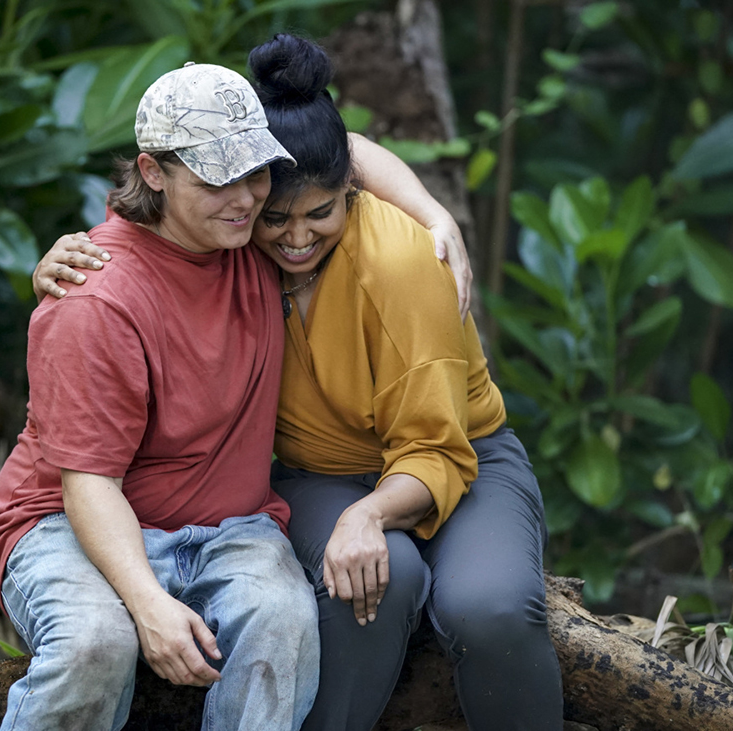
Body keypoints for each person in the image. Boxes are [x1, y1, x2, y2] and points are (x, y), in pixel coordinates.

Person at [37, 36, 564, 731]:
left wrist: (433, 214)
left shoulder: (398, 265)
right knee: (378, 581)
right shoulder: (239, 242)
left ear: (348, 191)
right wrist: (65, 261)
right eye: (274, 217)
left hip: (455, 453)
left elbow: (439, 449)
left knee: (488, 606)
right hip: (321, 471)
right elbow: (157, 234)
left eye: (319, 214)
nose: (294, 238)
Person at [0, 61, 320, 731]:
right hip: (67, 520)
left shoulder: (257, 242)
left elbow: (344, 151)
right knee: (97, 642)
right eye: (218, 177)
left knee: (286, 620)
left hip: (232, 527)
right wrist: (148, 606)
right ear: (154, 170)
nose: (247, 196)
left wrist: (433, 215)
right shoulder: (94, 297)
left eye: (256, 171)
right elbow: (87, 486)